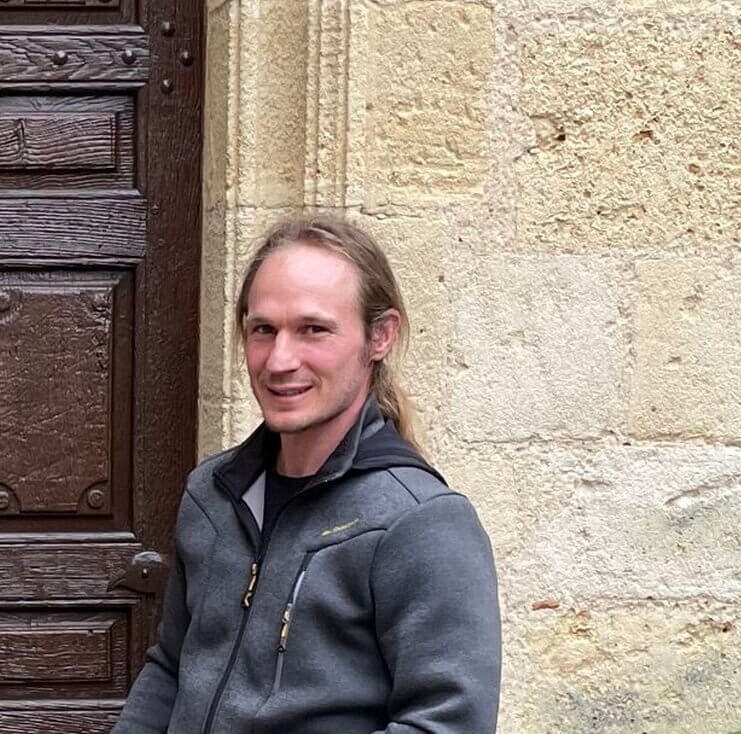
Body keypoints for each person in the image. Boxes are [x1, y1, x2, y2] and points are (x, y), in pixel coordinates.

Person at [113, 218, 500, 733]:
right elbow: (172, 668)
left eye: (313, 329)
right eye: (263, 329)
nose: (280, 360)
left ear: (380, 336)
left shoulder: (420, 524)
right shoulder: (212, 495)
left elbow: (448, 725)